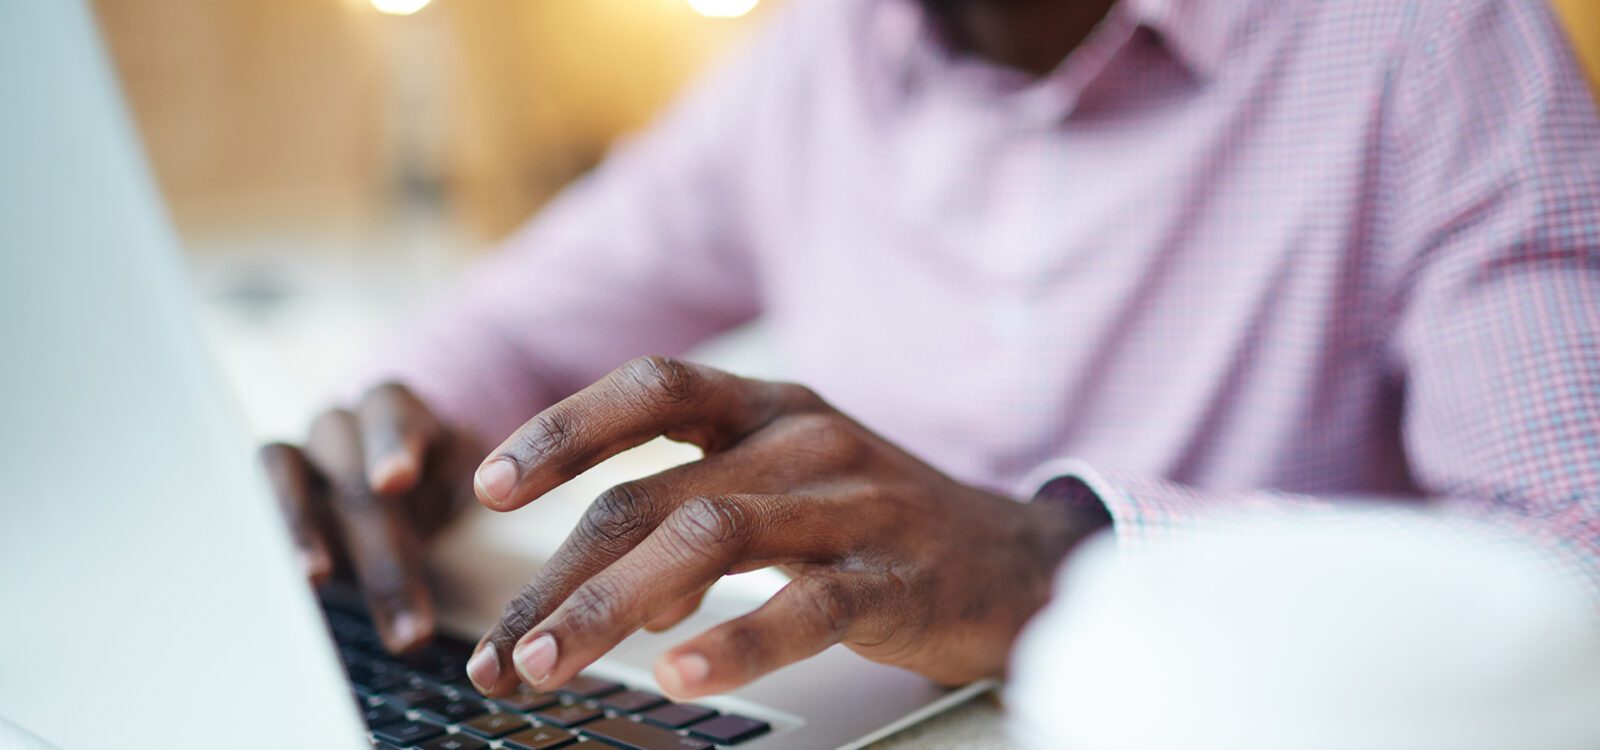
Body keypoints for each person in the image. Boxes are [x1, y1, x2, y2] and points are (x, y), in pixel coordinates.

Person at [259, 0, 1600, 705]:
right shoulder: (820, 58)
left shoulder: (1431, 40)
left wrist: (1063, 561)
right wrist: (397, 438)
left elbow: (1575, 557)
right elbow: (512, 325)